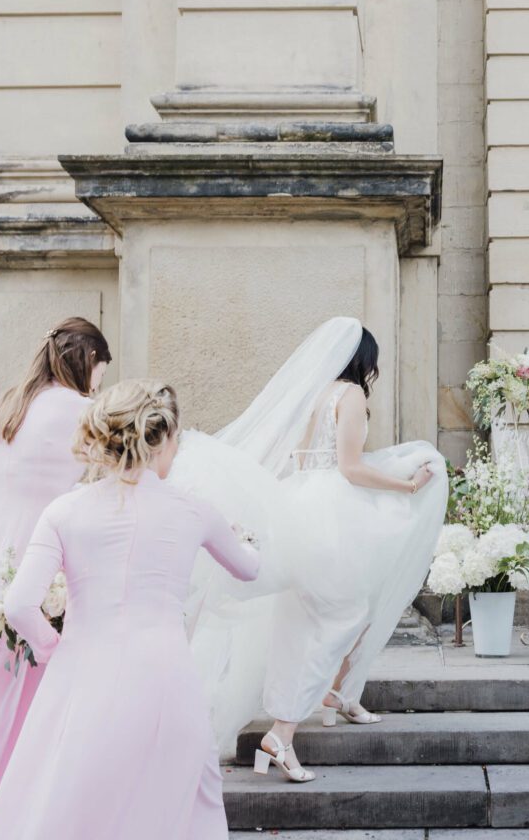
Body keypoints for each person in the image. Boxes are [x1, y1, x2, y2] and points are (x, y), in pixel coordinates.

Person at [0, 380, 259, 840]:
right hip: (168, 678)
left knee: (73, 805)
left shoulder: (64, 510)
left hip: (84, 674)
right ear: (163, 437)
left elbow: (19, 605)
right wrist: (246, 538)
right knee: (187, 803)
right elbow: (249, 570)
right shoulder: (194, 511)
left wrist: (54, 647)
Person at [168, 317, 448, 773]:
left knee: (315, 616)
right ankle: (284, 732)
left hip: (302, 504)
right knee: (341, 614)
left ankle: (334, 695)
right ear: (365, 361)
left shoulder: (316, 394)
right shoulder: (352, 395)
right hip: (335, 515)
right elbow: (350, 468)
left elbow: (305, 458)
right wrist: (408, 485)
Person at [0, 317, 111, 840]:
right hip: (35, 581)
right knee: (32, 720)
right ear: (88, 363)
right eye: (102, 368)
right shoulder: (83, 411)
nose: (102, 380)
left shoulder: (9, 405)